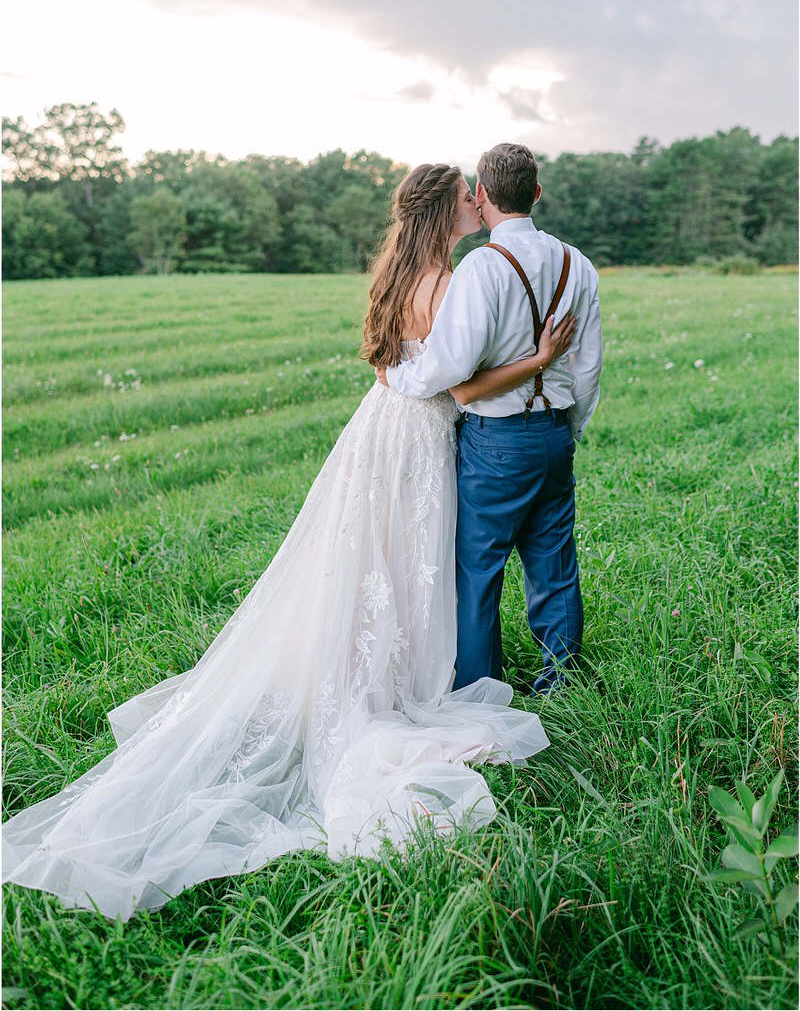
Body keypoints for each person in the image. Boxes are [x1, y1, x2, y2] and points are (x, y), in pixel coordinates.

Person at [2, 163, 572, 921]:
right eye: (468, 195)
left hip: (379, 431)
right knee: (403, 560)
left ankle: (371, 666)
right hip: (419, 437)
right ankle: (391, 685)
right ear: (447, 212)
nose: (479, 202)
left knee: (375, 560)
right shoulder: (448, 282)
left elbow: (396, 365)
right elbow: (457, 386)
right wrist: (539, 359)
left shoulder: (404, 272)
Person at [384, 143, 602, 696]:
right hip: (554, 433)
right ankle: (560, 681)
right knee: (554, 562)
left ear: (482, 196)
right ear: (536, 193)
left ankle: (480, 690)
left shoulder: (482, 265)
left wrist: (399, 378)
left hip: (495, 439)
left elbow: (451, 367)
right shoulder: (579, 263)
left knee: (477, 572)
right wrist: (566, 427)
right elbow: (588, 366)